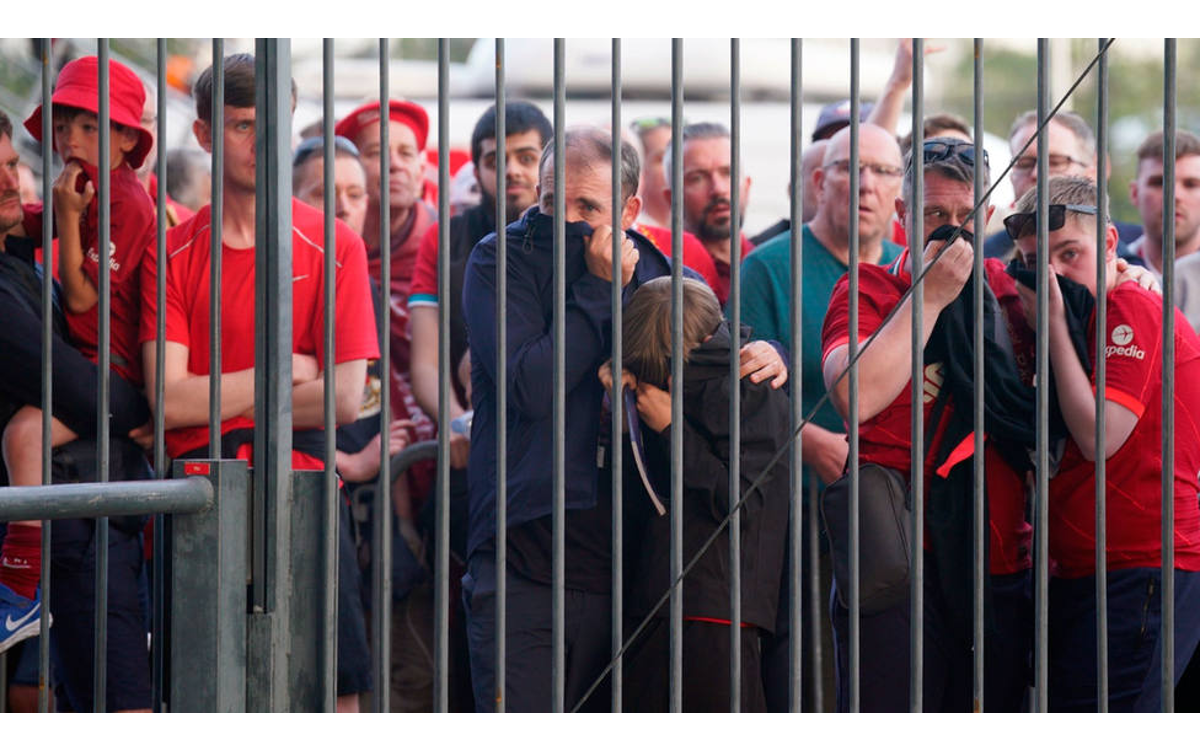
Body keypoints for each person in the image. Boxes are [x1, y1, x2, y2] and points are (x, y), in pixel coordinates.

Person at [461, 125, 786, 713]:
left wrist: (767, 353)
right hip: (523, 560)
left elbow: (717, 354)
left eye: (588, 208)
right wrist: (596, 288)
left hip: (631, 569)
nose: (567, 221)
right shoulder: (500, 258)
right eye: (554, 202)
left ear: (631, 210)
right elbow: (529, 387)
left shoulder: (661, 271)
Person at [140, 53, 378, 713]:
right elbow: (168, 400)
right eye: (243, 125)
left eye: (272, 123)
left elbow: (342, 398)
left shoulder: (337, 245)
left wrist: (213, 396)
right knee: (204, 692)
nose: (260, 141)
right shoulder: (171, 251)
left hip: (305, 485)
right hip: (199, 492)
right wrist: (283, 373)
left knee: (331, 690)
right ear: (205, 134)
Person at [821, 136, 1040, 712]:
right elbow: (854, 395)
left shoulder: (1012, 293)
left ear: (988, 215)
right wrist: (928, 300)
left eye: (966, 215)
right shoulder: (866, 287)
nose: (952, 230)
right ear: (903, 214)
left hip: (995, 560)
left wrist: (1133, 278)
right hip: (895, 563)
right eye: (935, 215)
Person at [1009, 175, 1200, 712]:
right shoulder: (1091, 311)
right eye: (1035, 262)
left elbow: (1099, 436)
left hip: (1144, 565)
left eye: (1070, 254)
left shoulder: (1129, 306)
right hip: (1090, 568)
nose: (1052, 274)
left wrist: (1051, 326)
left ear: (1111, 243)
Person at [740, 122, 905, 711]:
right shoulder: (768, 267)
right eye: (848, 169)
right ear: (818, 182)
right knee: (810, 676)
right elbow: (738, 386)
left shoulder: (910, 269)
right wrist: (809, 441)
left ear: (900, 192)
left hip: (896, 517)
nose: (865, 185)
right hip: (799, 514)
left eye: (882, 171)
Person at [0, 55, 156, 657]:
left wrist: (66, 218)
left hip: (114, 368)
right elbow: (28, 225)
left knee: (23, 436)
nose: (71, 140)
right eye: (64, 126)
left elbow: (84, 298)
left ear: (127, 137)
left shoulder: (128, 203)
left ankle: (20, 586)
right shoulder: (85, 186)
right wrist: (54, 215)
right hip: (90, 366)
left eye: (91, 127)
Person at [612, 277, 791, 712]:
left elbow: (743, 502)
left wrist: (673, 430)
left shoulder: (747, 385)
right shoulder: (672, 380)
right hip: (663, 598)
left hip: (719, 605)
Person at [985, 110, 1142, 260]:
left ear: (1096, 170)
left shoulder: (1136, 258)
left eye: (1055, 162)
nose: (1037, 173)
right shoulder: (983, 258)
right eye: (1024, 163)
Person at [663, 122, 754, 305]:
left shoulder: (774, 267)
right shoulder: (659, 273)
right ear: (671, 198)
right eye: (697, 178)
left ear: (747, 185)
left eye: (728, 173)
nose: (718, 189)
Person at [1129, 130, 1200, 278]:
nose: (1174, 196)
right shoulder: (1109, 272)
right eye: (1159, 183)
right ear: (1135, 193)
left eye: (1190, 184)